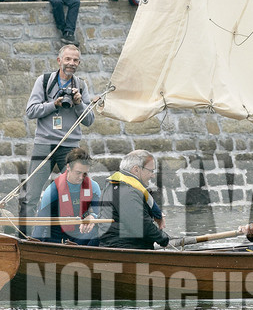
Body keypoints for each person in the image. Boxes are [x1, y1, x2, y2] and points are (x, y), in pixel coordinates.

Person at [23, 45, 95, 219]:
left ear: (79, 63)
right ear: (59, 60)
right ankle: (24, 230)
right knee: (32, 194)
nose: (71, 63)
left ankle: (79, 228)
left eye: (75, 60)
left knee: (77, 191)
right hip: (44, 144)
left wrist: (79, 103)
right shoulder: (44, 81)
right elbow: (31, 111)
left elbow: (89, 120)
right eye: (68, 59)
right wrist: (53, 104)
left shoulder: (81, 85)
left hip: (70, 147)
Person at [98, 150, 169, 250]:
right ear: (136, 170)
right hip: (127, 248)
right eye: (151, 171)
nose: (153, 175)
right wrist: (163, 238)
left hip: (116, 245)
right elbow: (141, 225)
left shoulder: (116, 185)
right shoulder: (127, 192)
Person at [34, 147, 104, 244]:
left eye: (85, 173)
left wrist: (93, 217)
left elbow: (102, 214)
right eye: (78, 173)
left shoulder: (93, 187)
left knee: (99, 230)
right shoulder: (53, 190)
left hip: (80, 235)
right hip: (56, 239)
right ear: (68, 167)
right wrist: (35, 245)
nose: (82, 177)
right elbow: (40, 225)